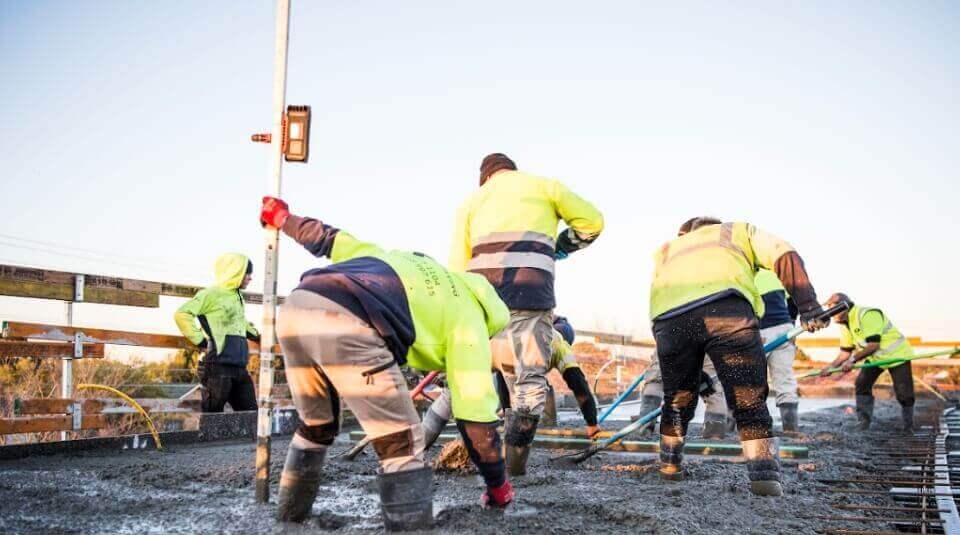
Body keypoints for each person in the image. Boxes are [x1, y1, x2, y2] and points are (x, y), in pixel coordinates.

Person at [260, 197, 513, 531]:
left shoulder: (395, 260)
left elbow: (330, 239)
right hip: (349, 319)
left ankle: (288, 520)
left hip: (297, 307)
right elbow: (476, 420)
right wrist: (499, 487)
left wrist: (283, 217)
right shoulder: (471, 319)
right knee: (401, 444)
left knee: (317, 426)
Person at [649, 216, 828, 496]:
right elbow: (784, 253)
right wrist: (808, 306)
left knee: (676, 400)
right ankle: (764, 477)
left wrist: (694, 371)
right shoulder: (736, 231)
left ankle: (669, 468)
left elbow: (660, 299)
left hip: (669, 320)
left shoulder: (669, 249)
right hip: (727, 307)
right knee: (748, 398)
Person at [449, 152, 604, 476]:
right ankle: (514, 466)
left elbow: (457, 270)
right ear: (511, 171)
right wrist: (560, 247)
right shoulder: (545, 187)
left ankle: (426, 444)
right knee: (529, 381)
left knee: (475, 378)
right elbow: (593, 223)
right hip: (532, 295)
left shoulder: (471, 203)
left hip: (483, 303)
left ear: (485, 178)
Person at [421, 316, 601, 450]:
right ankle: (511, 467)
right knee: (524, 407)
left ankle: (414, 452)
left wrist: (507, 412)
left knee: (452, 394)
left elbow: (501, 373)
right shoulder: (560, 344)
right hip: (517, 357)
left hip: (489, 345)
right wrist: (592, 422)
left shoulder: (530, 322)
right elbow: (578, 382)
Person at [174, 253, 260, 413]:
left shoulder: (237, 296)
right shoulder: (210, 294)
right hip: (218, 367)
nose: (250, 277)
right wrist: (199, 340)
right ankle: (208, 438)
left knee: (251, 415)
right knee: (213, 416)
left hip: (240, 367)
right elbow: (182, 314)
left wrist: (256, 334)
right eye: (247, 273)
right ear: (234, 272)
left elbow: (238, 322)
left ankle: (245, 438)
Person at [819, 293, 915, 431]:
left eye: (831, 308)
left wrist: (852, 360)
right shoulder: (845, 325)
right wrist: (830, 367)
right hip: (876, 359)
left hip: (897, 356)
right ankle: (863, 423)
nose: (830, 313)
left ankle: (908, 427)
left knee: (904, 393)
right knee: (862, 383)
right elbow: (845, 352)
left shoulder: (867, 314)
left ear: (842, 307)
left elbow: (873, 345)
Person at [635, 351, 728, 439]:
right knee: (714, 391)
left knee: (656, 380)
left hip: (670, 340)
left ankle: (644, 431)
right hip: (706, 343)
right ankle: (714, 437)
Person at [754, 268, 801, 432]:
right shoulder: (775, 275)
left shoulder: (743, 275)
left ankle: (756, 427)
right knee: (784, 379)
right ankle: (791, 429)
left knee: (750, 381)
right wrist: (791, 326)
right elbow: (794, 304)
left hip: (760, 331)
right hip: (784, 330)